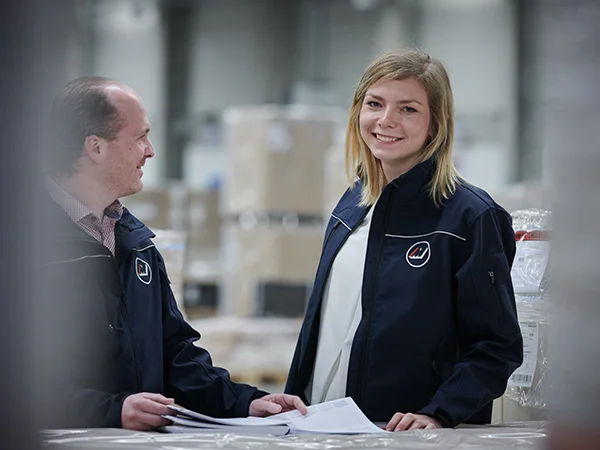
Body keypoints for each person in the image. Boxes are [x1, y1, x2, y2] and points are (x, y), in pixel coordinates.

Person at [42, 76, 306, 431]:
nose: (150, 150)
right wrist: (110, 411)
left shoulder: (137, 245)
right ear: (95, 147)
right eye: (139, 137)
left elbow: (175, 354)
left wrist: (247, 402)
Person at [285, 48, 523, 431]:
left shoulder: (470, 217)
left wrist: (438, 412)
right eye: (374, 103)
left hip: (407, 436)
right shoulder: (352, 204)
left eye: (408, 109)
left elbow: (496, 347)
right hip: (322, 426)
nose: (385, 120)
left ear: (436, 123)